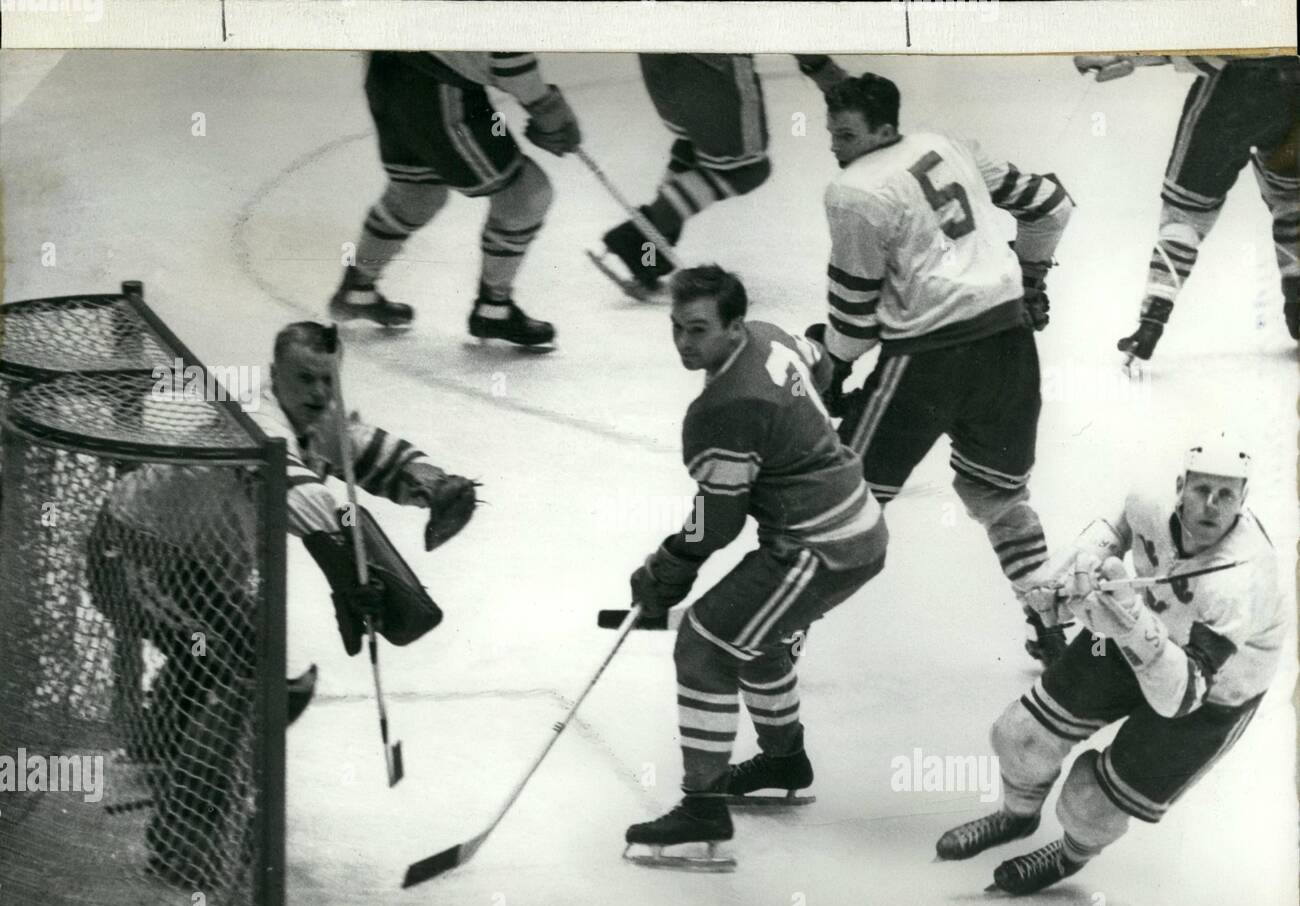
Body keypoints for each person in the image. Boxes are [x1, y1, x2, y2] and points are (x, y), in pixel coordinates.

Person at [87, 322, 474, 887]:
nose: (318, 391)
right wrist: (352, 569)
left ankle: (164, 744)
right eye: (304, 378)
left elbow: (369, 452)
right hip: (136, 558)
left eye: (327, 379)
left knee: (237, 649)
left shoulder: (317, 421)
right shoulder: (256, 419)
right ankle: (181, 842)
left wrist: (431, 482)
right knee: (248, 666)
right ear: (274, 377)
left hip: (195, 572)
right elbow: (293, 490)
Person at [934, 436, 1284, 896]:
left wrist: (1132, 623)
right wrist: (1063, 575)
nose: (1211, 506)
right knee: (1019, 736)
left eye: (1226, 496)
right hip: (1133, 631)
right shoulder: (1150, 500)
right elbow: (1116, 533)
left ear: (1244, 502)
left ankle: (1068, 855)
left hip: (1213, 690)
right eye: (1201, 490)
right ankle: (1016, 818)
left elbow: (1180, 698)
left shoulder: (1242, 581)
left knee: (1090, 804)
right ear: (1180, 486)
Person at [622, 265, 888, 870]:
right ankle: (783, 760)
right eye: (677, 328)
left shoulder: (722, 408)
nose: (684, 343)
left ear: (732, 324)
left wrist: (669, 564)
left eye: (698, 329)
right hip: (850, 525)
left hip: (818, 546)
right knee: (753, 633)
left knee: (703, 643)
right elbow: (822, 363)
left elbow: (719, 518)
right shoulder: (770, 335)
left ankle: (703, 809)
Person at [813, 72, 1075, 666]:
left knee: (841, 498)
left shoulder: (853, 192)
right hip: (1009, 347)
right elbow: (1053, 208)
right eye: (831, 134)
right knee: (999, 497)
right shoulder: (950, 145)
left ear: (883, 129)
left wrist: (828, 363)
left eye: (847, 134)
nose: (835, 146)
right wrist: (1031, 278)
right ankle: (1051, 623)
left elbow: (854, 326)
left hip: (928, 365)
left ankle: (775, 624)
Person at [329, 52, 582, 348]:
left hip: (387, 69)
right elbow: (509, 61)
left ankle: (358, 290)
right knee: (526, 194)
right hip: (437, 84)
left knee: (417, 194)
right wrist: (547, 109)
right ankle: (494, 310)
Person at [1074, 55, 1300, 363]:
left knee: (1185, 215)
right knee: (1293, 200)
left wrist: (1130, 56)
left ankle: (1152, 319)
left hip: (1231, 85)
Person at [592, 54, 847, 297]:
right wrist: (823, 69)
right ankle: (639, 238)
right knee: (747, 170)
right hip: (712, 64)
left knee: (695, 144)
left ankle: (651, 249)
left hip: (659, 61)